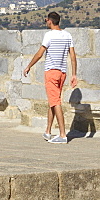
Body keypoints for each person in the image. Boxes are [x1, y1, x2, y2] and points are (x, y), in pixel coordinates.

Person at [22, 11, 78, 143]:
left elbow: (40, 53)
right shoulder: (67, 35)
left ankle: (63, 134)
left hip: (51, 72)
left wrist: (29, 65)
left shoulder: (49, 35)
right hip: (62, 73)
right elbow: (73, 56)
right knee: (53, 101)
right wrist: (74, 74)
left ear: (49, 21)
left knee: (55, 102)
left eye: (46, 20)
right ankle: (48, 131)